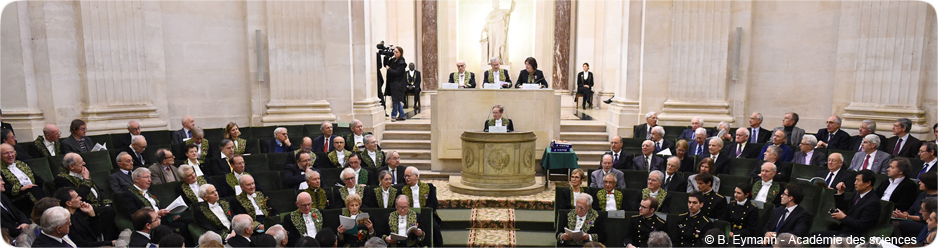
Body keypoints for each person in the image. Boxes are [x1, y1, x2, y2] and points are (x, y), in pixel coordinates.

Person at [831, 169, 882, 236]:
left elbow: (862, 225)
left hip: (854, 236)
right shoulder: (857, 194)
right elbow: (842, 207)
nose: (855, 183)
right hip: (843, 230)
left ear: (868, 183)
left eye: (858, 180)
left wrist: (844, 217)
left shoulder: (873, 202)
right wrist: (840, 192)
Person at [1, 143, 46, 213]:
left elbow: (37, 179)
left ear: (15, 152)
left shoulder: (21, 164)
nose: (10, 155)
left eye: (12, 152)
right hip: (19, 200)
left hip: (35, 192)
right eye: (6, 153)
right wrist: (20, 189)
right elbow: (4, 188)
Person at [385, 46, 407, 121]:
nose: (395, 53)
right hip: (392, 83)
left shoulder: (401, 62)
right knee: (396, 100)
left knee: (395, 99)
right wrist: (387, 56)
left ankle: (394, 115)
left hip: (398, 84)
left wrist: (389, 69)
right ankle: (402, 114)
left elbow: (397, 73)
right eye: (394, 52)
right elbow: (386, 64)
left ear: (400, 53)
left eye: (396, 52)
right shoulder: (393, 60)